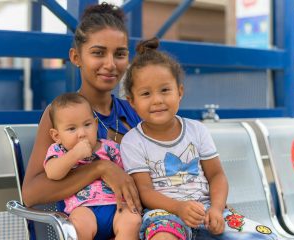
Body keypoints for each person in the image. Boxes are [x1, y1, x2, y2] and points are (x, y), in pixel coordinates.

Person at [120, 37, 278, 240]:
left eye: (165, 90)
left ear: (180, 92)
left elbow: (216, 175)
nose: (157, 100)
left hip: (207, 211)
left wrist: (217, 208)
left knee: (264, 236)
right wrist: (178, 207)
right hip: (164, 215)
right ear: (132, 101)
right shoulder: (133, 141)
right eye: (146, 94)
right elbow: (144, 190)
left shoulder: (197, 130)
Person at [21, 1, 142, 230]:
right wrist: (101, 168)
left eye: (120, 54)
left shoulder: (134, 112)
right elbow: (31, 194)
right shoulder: (60, 115)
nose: (110, 64)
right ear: (76, 57)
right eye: (98, 53)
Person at [44, 93, 140, 240]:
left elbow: (127, 173)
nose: (82, 133)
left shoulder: (111, 148)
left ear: (96, 124)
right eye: (71, 129)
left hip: (117, 205)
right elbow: (52, 172)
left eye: (87, 125)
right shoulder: (59, 151)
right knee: (78, 227)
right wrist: (74, 155)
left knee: (133, 221)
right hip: (83, 208)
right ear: (56, 136)